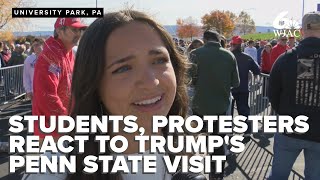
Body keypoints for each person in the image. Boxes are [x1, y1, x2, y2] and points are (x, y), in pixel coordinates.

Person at [23, 10, 206, 180]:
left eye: (159, 60)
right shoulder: (54, 169)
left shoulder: (186, 147)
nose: (152, 83)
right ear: (94, 85)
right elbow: (47, 96)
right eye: (123, 68)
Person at [268, 11, 320, 180]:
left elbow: (273, 95)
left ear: (301, 30)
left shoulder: (286, 59)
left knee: (278, 176)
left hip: (289, 128)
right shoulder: (286, 58)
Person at [190, 30, 240, 179]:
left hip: (200, 105)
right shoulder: (229, 55)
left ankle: (205, 167)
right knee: (218, 140)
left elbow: (189, 79)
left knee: (203, 137)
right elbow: (235, 82)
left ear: (204, 39)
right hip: (220, 107)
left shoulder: (195, 54)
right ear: (218, 39)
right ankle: (216, 172)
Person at [32, 17, 87, 141]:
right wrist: (67, 121)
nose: (78, 34)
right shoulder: (50, 55)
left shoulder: (69, 53)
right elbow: (46, 95)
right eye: (74, 29)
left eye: (80, 30)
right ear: (60, 31)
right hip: (52, 129)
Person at [230, 36, 260, 136]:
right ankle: (247, 131)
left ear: (232, 45)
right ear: (241, 45)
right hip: (243, 88)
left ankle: (228, 132)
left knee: (228, 111)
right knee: (244, 111)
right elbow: (257, 70)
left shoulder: (228, 57)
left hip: (229, 89)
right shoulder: (247, 57)